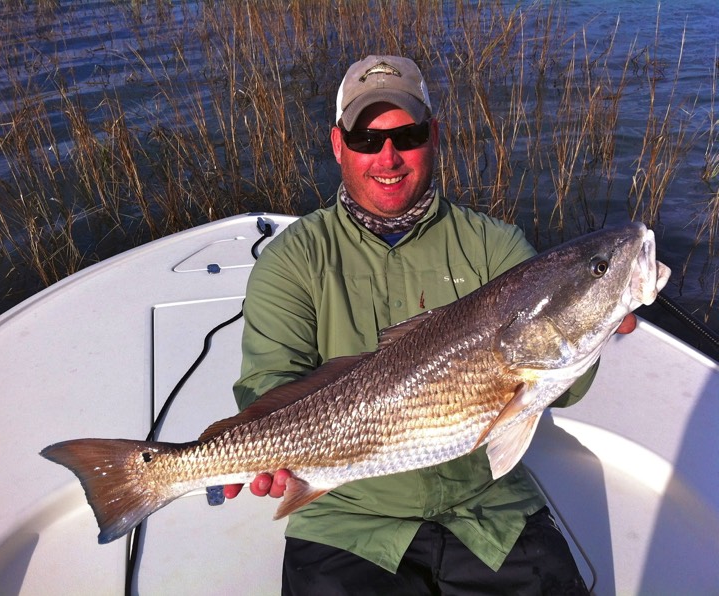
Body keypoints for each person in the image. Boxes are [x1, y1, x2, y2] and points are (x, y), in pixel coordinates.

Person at [224, 55, 636, 594]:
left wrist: (598, 320)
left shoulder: (496, 245)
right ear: (338, 145)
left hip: (487, 509)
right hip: (347, 519)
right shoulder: (292, 260)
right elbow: (269, 383)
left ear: (434, 136)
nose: (388, 158)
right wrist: (270, 453)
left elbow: (559, 383)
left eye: (408, 135)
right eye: (367, 140)